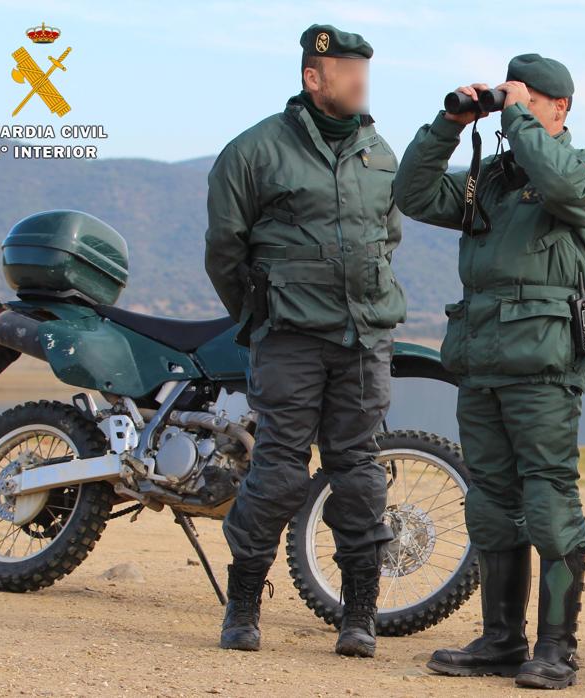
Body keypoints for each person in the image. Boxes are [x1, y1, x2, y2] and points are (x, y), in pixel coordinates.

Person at [393, 53, 585, 689]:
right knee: (490, 501)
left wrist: (517, 118)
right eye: (510, 98)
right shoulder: (486, 182)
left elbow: (562, 181)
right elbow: (411, 194)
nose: (514, 108)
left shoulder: (582, 170)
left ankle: (556, 648)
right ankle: (500, 641)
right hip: (480, 357)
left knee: (547, 497)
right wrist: (449, 124)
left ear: (558, 108)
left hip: (543, 362)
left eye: (528, 98)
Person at [203, 23, 406, 658]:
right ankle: (242, 608)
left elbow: (387, 236)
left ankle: (359, 616)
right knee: (278, 473)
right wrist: (261, 314)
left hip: (363, 337)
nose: (358, 82)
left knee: (360, 475)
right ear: (313, 77)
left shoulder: (380, 152)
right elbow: (223, 251)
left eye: (362, 72)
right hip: (289, 338)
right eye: (346, 71)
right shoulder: (255, 150)